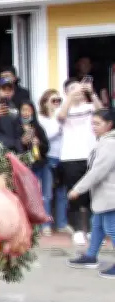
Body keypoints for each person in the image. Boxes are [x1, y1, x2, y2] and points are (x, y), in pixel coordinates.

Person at [66, 109, 115, 278]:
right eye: (92, 123)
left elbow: (98, 171)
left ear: (109, 125)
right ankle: (91, 256)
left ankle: (92, 256)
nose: (93, 127)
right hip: (104, 195)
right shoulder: (104, 140)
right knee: (97, 225)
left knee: (111, 228)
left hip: (111, 194)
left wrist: (78, 189)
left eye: (97, 123)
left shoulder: (110, 143)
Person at [58, 77, 105, 246]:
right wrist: (70, 97)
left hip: (91, 155)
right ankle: (78, 230)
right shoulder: (63, 107)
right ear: (66, 92)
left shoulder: (90, 106)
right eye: (73, 89)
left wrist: (91, 93)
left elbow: (102, 113)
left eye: (80, 89)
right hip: (70, 157)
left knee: (94, 194)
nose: (78, 92)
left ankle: (94, 229)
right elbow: (61, 117)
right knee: (74, 194)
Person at [37, 89, 68, 235]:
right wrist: (59, 128)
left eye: (59, 101)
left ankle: (62, 223)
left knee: (62, 192)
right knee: (47, 192)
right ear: (45, 102)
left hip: (63, 156)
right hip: (49, 157)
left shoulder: (62, 117)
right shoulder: (41, 119)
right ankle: (46, 224)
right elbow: (44, 138)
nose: (57, 103)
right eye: (53, 100)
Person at [19, 101, 48, 165]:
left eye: (29, 110)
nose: (26, 113)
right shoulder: (16, 126)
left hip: (39, 163)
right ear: (19, 111)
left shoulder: (37, 127)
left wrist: (39, 143)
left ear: (33, 112)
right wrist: (22, 142)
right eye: (23, 110)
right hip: (22, 164)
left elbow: (46, 147)